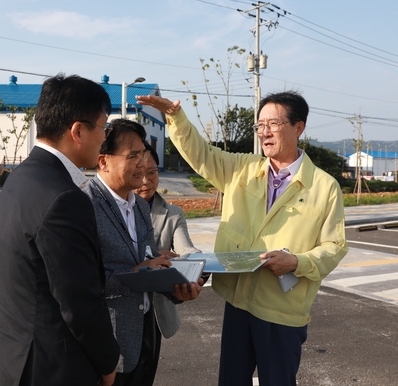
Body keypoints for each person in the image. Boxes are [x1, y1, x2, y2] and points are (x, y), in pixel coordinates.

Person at [137, 91, 348, 386]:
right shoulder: (242, 169)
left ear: (298, 127)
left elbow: (334, 246)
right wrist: (175, 116)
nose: (264, 132)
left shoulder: (325, 187)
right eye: (259, 125)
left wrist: (297, 262)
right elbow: (202, 154)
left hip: (282, 310)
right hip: (238, 302)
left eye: (272, 124)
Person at [0, 74, 120, 386]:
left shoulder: (19, 178)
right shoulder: (65, 199)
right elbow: (79, 302)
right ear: (78, 131)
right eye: (103, 127)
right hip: (55, 369)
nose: (104, 139)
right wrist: (108, 363)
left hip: (15, 361)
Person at [85, 118, 202, 386]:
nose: (142, 163)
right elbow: (79, 284)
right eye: (133, 155)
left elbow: (146, 261)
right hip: (108, 342)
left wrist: (174, 286)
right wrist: (134, 274)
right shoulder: (84, 205)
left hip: (146, 332)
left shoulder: (138, 206)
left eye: (144, 154)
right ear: (103, 161)